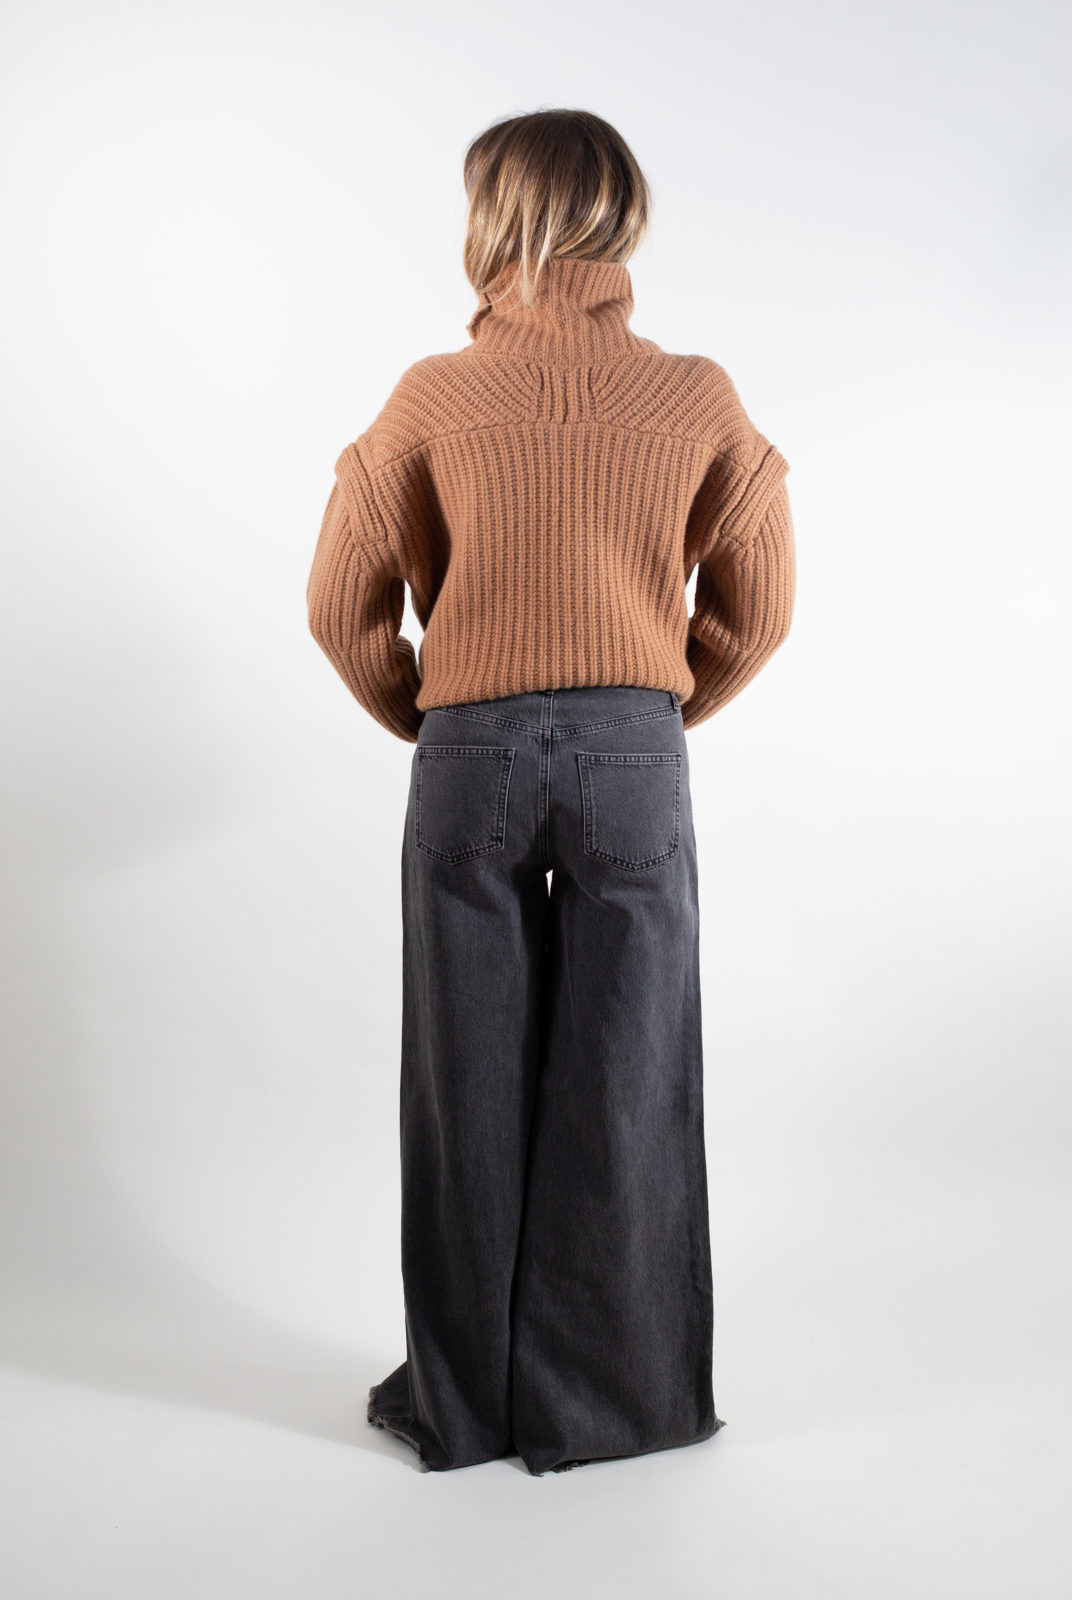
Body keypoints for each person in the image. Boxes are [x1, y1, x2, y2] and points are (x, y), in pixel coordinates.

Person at [306, 107, 796, 1476]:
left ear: (492, 221)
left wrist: (438, 714)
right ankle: (614, 1406)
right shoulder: (696, 395)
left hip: (467, 750)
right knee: (628, 1078)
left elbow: (339, 606)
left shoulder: (430, 397)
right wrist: (652, 709)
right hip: (635, 751)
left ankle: (464, 1406)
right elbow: (760, 608)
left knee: (465, 1081)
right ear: (622, 218)